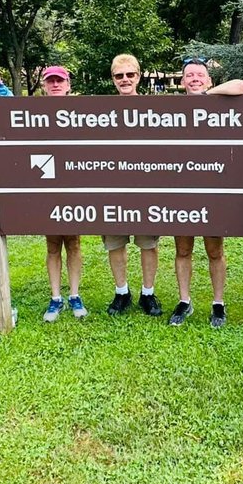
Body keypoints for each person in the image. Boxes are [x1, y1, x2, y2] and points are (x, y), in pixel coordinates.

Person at [171, 57, 243, 326]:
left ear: (209, 79)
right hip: (180, 191)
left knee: (215, 250)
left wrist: (207, 95)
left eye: (200, 74)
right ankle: (184, 301)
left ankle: (218, 303)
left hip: (213, 191)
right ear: (182, 82)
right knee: (183, 249)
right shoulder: (170, 110)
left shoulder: (219, 103)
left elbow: (242, 86)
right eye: (189, 75)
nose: (194, 78)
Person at [103, 54, 163, 318]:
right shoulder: (100, 113)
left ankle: (148, 294)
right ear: (113, 79)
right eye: (119, 76)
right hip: (113, 189)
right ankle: (121, 292)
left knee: (148, 243)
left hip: (146, 189)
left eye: (130, 75)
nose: (125, 80)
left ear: (138, 76)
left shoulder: (155, 109)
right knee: (115, 243)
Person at [38, 65, 87, 321]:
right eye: (51, 81)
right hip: (48, 188)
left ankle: (75, 295)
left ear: (68, 85)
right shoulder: (33, 114)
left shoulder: (81, 113)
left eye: (60, 81)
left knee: (74, 242)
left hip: (75, 188)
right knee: (53, 244)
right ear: (45, 86)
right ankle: (56, 297)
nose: (55, 85)